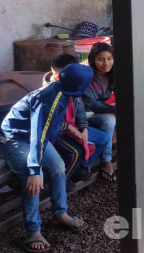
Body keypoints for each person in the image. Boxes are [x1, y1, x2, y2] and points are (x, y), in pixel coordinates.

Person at [1, 63, 93, 252]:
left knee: (58, 165)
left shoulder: (65, 93)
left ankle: (60, 213)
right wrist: (34, 169)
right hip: (15, 137)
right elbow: (37, 135)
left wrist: (68, 128)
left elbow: (50, 126)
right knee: (32, 176)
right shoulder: (49, 98)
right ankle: (32, 232)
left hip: (36, 137)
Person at [44, 54, 109, 185]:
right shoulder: (48, 92)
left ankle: (80, 167)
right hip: (58, 132)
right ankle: (63, 181)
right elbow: (49, 123)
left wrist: (84, 128)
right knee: (76, 152)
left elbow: (80, 109)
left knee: (104, 139)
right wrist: (68, 128)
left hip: (74, 127)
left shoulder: (74, 84)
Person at [81, 42, 117, 184]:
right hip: (83, 115)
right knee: (109, 119)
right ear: (92, 60)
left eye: (109, 58)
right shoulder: (87, 76)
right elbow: (92, 105)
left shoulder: (111, 74)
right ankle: (106, 161)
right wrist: (116, 108)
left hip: (98, 111)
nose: (106, 63)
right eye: (100, 59)